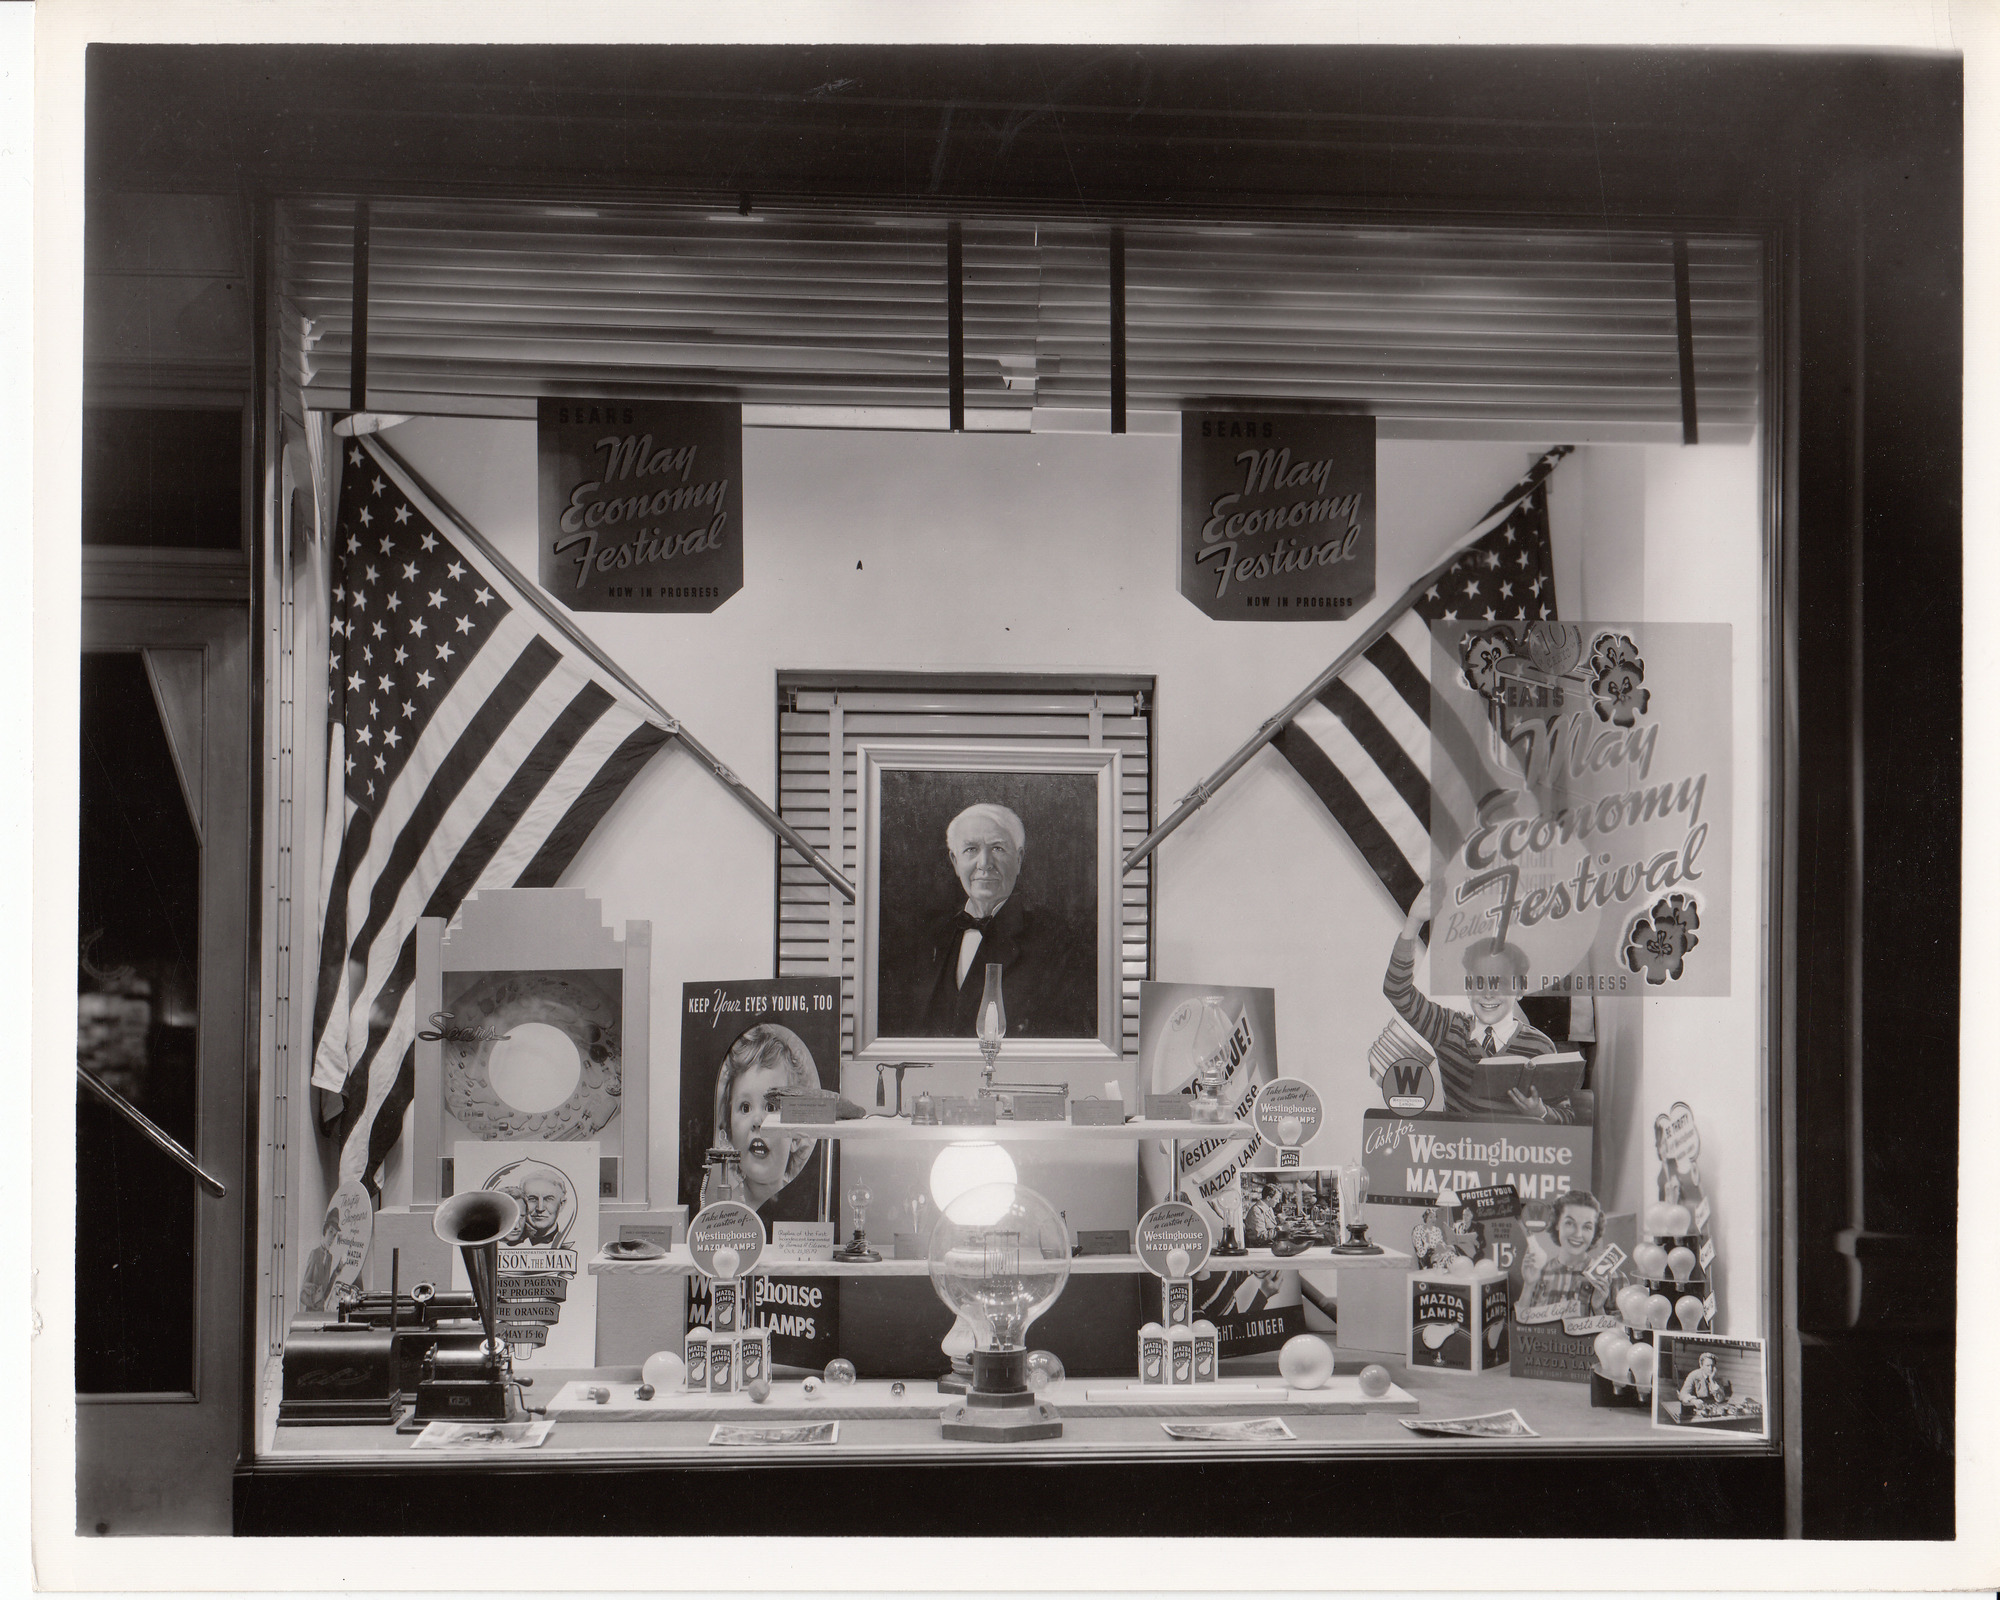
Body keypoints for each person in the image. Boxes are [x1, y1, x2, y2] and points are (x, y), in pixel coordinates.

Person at [905, 802, 1096, 1039]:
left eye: (997, 848)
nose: (984, 863)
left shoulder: (1057, 944)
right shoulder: (930, 937)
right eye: (971, 850)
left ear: (1019, 860)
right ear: (955, 862)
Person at [1385, 898, 1576, 1121]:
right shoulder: (1447, 1028)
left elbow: (1567, 1117)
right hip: (1457, 1149)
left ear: (1520, 989)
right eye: (1479, 982)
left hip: (1513, 1152)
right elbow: (1397, 991)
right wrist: (1414, 921)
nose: (1488, 993)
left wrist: (1541, 1113)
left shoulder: (1541, 1046)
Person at [712, 1023, 821, 1213]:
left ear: (796, 1137)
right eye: (745, 1107)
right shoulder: (725, 1211)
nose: (757, 1121)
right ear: (729, 1131)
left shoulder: (802, 1208)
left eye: (771, 1107)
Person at [1513, 1189, 1613, 1322]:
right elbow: (1521, 1326)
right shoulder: (1539, 1274)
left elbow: (1619, 1338)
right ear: (1557, 1224)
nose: (1578, 1234)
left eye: (1587, 1227)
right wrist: (1529, 1285)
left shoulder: (1609, 1279)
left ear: (1595, 1231)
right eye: (1570, 1223)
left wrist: (1598, 1308)